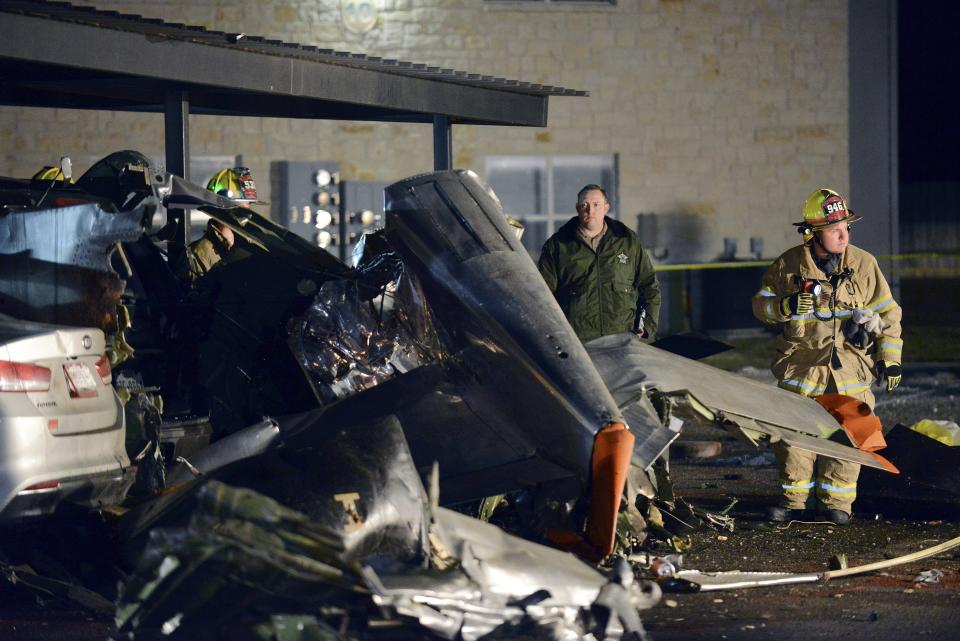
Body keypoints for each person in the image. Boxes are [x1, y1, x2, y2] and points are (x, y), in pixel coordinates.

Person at [752, 188, 903, 525]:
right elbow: (760, 304)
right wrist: (784, 307)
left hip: (850, 371)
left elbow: (889, 314)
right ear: (813, 234)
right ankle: (794, 503)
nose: (843, 235)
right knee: (795, 439)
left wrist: (890, 357)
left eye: (846, 228)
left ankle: (837, 505)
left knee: (850, 436)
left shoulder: (865, 264)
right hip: (802, 370)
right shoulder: (789, 264)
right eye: (835, 229)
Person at [538, 184, 661, 343]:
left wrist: (647, 329)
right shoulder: (557, 246)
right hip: (580, 343)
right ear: (578, 208)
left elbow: (649, 286)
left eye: (596, 205)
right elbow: (543, 297)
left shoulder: (627, 241)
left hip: (625, 340)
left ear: (606, 208)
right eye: (585, 205)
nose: (590, 211)